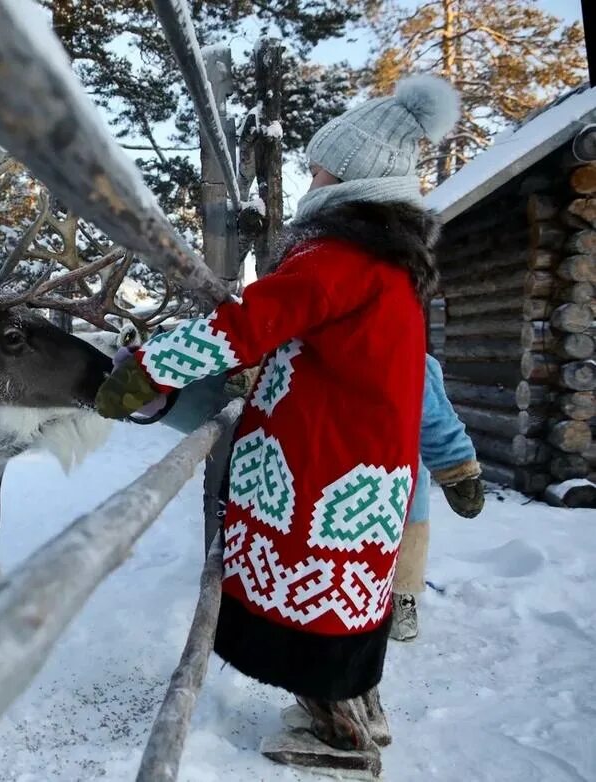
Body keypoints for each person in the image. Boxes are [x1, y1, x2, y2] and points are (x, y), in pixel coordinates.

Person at [95, 74, 461, 778]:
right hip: (354, 467)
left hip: (322, 468)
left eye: (321, 166)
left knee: (312, 608)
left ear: (350, 179)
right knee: (341, 601)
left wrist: (150, 368)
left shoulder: (339, 259)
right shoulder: (386, 266)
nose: (310, 175)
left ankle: (344, 740)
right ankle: (358, 713)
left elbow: (247, 324)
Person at [391, 353, 484, 641]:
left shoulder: (409, 354)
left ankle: (402, 594)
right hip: (330, 467)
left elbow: (432, 412)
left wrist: (455, 464)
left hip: (399, 470)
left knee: (406, 531)